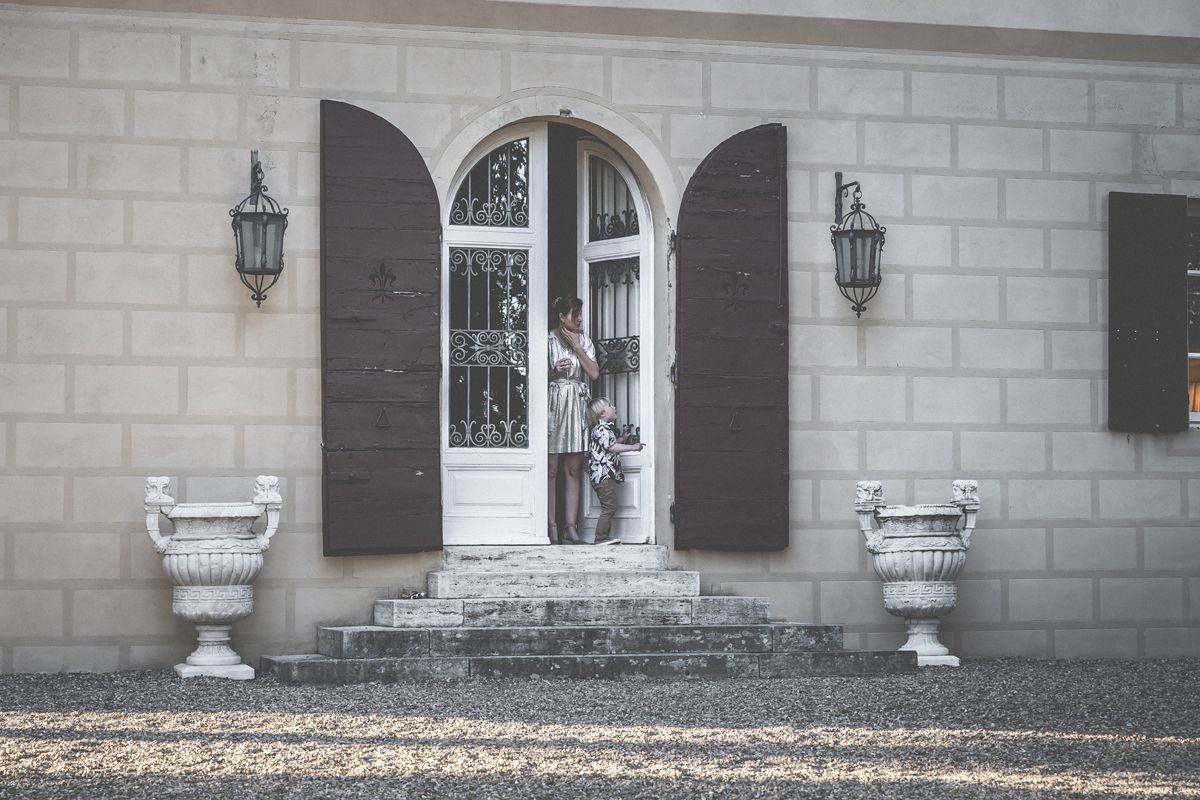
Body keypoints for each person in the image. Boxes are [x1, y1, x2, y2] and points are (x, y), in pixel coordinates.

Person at [547, 296, 599, 544]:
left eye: (580, 314)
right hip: (553, 403)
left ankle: (571, 526)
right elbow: (531, 376)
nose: (579, 318)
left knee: (573, 468)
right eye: (574, 314)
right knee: (551, 468)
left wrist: (577, 347)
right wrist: (554, 371)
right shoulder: (547, 340)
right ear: (561, 317)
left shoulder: (585, 340)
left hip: (577, 403)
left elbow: (594, 373)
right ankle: (551, 526)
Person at [586, 397, 645, 545]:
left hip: (605, 476)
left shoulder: (604, 429)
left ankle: (603, 536)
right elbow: (611, 447)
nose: (614, 407)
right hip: (603, 476)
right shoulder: (601, 429)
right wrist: (633, 447)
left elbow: (609, 444)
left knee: (609, 506)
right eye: (610, 406)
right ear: (602, 413)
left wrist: (622, 438)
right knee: (609, 507)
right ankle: (600, 537)